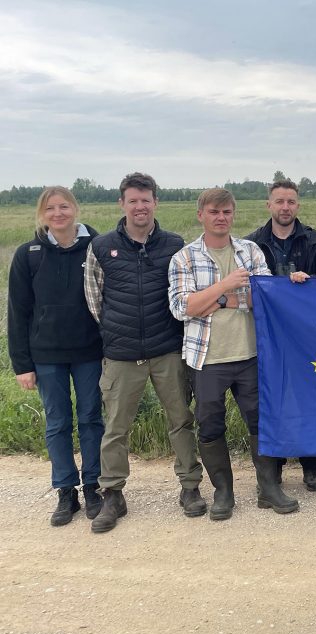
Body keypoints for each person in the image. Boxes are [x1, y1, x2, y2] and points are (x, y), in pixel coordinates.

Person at [84, 173, 205, 533]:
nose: (140, 206)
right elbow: (94, 300)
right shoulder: (102, 246)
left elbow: (183, 290)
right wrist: (116, 330)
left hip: (167, 349)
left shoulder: (174, 244)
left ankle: (190, 487)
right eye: (133, 200)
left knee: (181, 420)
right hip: (121, 354)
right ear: (122, 204)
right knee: (116, 428)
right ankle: (113, 495)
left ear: (156, 203)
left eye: (146, 200)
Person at [169, 188, 298, 520]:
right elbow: (183, 308)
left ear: (233, 215)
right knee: (210, 426)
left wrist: (218, 300)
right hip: (207, 359)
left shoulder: (250, 251)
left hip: (249, 354)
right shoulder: (184, 258)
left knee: (260, 423)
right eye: (214, 212)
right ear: (201, 215)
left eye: (226, 212)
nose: (221, 218)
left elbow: (264, 298)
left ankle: (268, 488)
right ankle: (223, 493)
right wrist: (225, 286)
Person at [7, 187, 105, 526]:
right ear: (42, 213)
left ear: (75, 209)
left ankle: (94, 485)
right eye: (51, 208)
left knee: (92, 417)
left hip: (90, 351)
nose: (58, 213)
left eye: (64, 206)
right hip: (46, 355)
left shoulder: (97, 247)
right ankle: (66, 490)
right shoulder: (28, 254)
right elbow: (18, 313)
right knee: (57, 422)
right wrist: (22, 364)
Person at [245, 178, 316, 492]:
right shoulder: (251, 244)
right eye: (279, 201)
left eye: (291, 202)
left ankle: (312, 465)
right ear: (268, 204)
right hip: (268, 337)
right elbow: (248, 286)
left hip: (308, 335)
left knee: (309, 398)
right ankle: (276, 467)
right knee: (272, 400)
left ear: (298, 205)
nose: (285, 207)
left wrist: (308, 282)